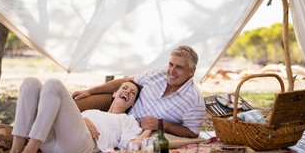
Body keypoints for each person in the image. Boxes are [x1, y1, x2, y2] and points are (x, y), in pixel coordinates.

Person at [0, 78, 150, 153]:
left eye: (132, 93)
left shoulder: (127, 120)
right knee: (30, 83)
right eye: (124, 88)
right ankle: (17, 151)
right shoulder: (92, 111)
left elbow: (132, 145)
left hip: (80, 145)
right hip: (50, 144)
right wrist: (84, 119)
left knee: (54, 84)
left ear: (132, 102)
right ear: (115, 93)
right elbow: (66, 119)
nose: (127, 92)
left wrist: (149, 129)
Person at [73, 45, 206, 138]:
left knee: (79, 127)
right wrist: (90, 91)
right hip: (119, 105)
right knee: (73, 103)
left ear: (191, 71)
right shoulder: (158, 72)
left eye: (179, 67)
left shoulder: (194, 100)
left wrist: (162, 124)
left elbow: (192, 132)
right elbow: (125, 82)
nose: (171, 71)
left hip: (129, 127)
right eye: (171, 64)